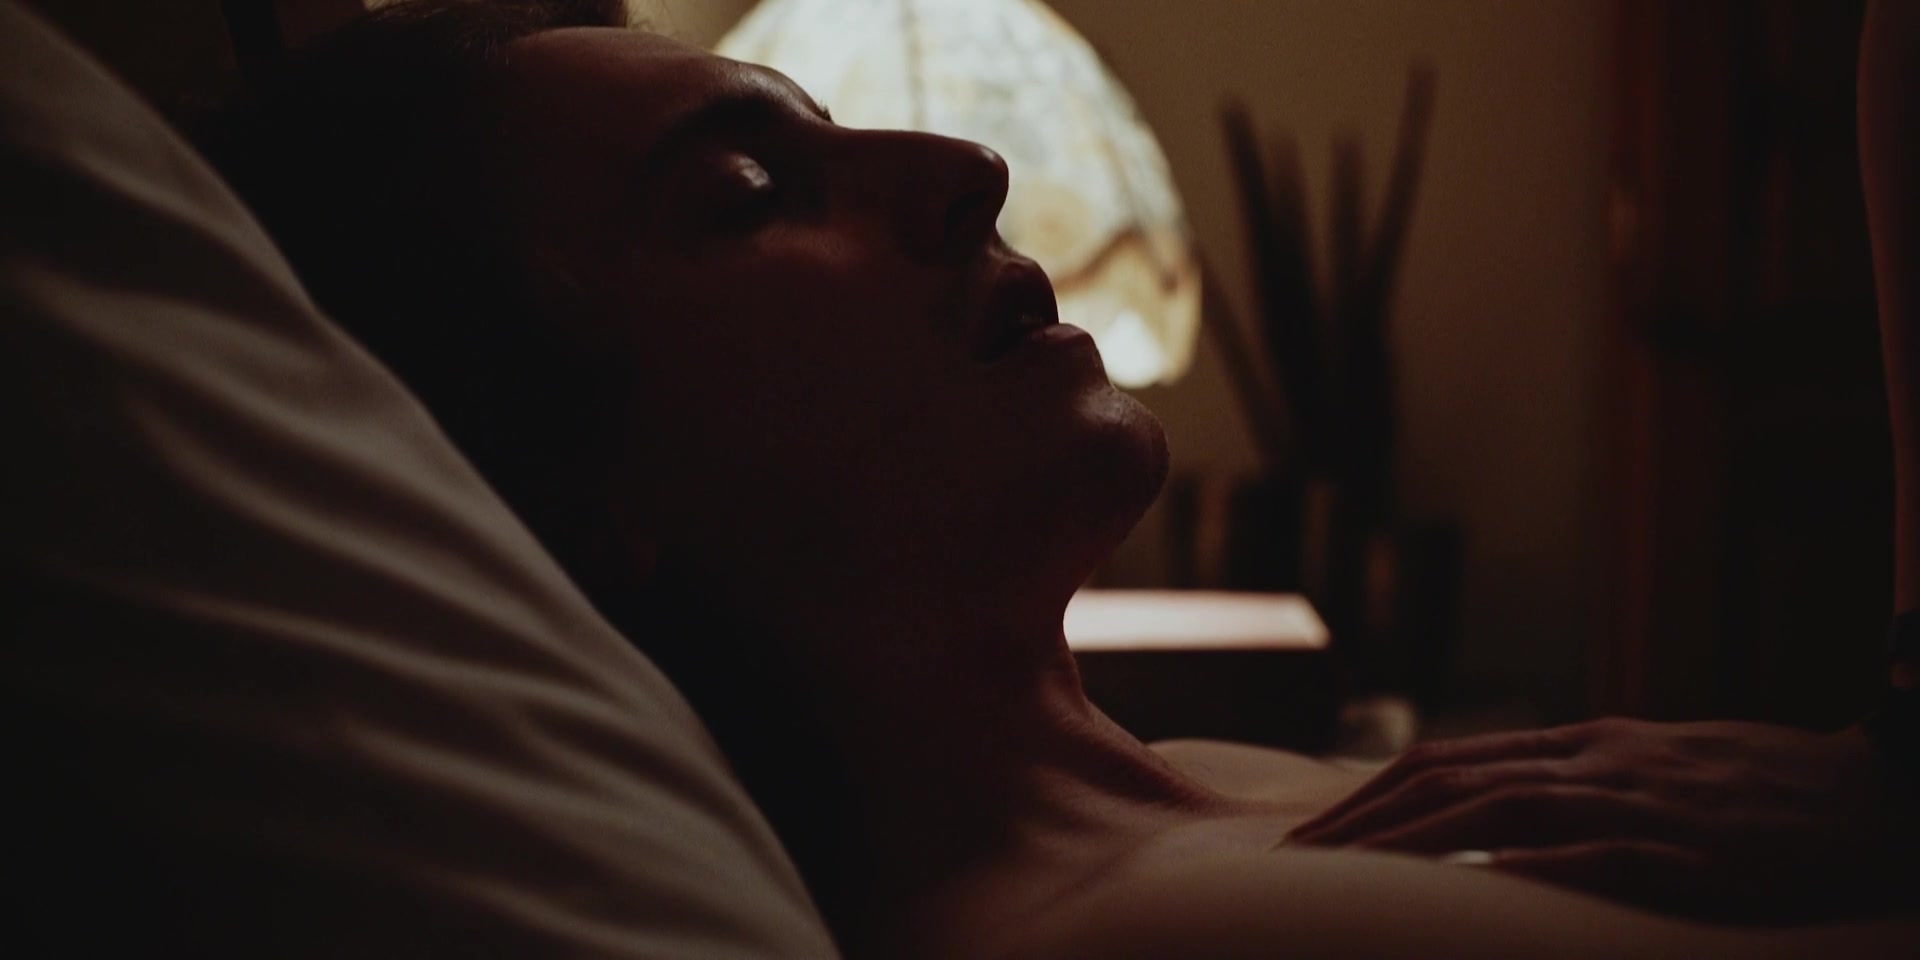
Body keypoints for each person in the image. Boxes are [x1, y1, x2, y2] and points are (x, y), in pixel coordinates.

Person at [201, 1, 1919, 956]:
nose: (964, 168)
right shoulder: (1099, 934)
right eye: (743, 194)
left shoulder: (1203, 794)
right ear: (579, 487)